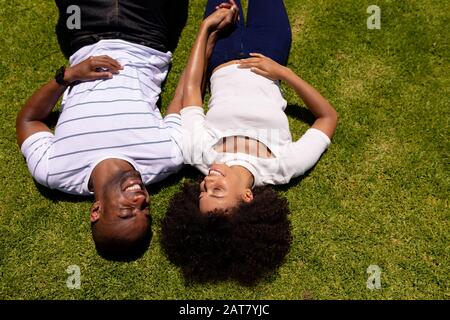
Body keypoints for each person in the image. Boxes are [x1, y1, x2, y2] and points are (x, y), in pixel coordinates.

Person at [161, 0, 338, 284]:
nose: (208, 182)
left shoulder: (199, 154)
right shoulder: (282, 167)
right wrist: (283, 73)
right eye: (216, 191)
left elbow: (193, 89)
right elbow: (327, 118)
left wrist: (207, 29)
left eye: (202, 191)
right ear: (247, 198)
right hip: (270, 49)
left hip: (221, 51)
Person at [16, 0, 189, 261]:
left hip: (84, 33)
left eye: (127, 212)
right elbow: (183, 97)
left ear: (96, 210)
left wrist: (68, 76)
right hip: (146, 33)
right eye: (145, 212)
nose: (141, 201)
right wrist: (208, 39)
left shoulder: (53, 171)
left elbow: (28, 121)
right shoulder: (166, 159)